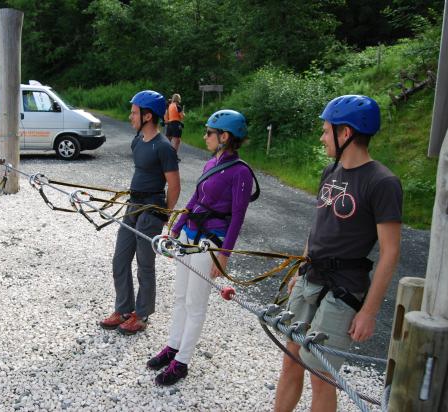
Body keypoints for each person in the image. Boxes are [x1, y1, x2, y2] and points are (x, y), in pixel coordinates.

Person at [274, 95, 402, 412]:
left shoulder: (382, 182)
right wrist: (301, 270)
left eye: (326, 130)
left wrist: (369, 312)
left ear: (346, 133)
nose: (322, 136)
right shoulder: (329, 172)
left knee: (321, 374)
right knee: (291, 361)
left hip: (343, 289)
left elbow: (390, 252)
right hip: (311, 278)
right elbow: (318, 226)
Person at [147, 109, 256, 386]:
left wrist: (224, 256)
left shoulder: (240, 172)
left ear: (225, 136)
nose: (204, 136)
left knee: (196, 304)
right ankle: (172, 347)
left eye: (209, 132)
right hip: (188, 236)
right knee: (181, 298)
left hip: (210, 244)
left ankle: (181, 362)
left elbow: (238, 217)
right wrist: (174, 227)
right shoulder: (211, 163)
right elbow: (196, 198)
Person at [100, 90, 181, 335]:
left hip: (151, 209)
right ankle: (124, 309)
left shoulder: (164, 147)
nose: (130, 117)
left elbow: (175, 186)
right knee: (120, 258)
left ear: (147, 116)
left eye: (134, 113)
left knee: (145, 264)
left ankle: (142, 314)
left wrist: (163, 215)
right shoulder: (137, 141)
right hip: (133, 205)